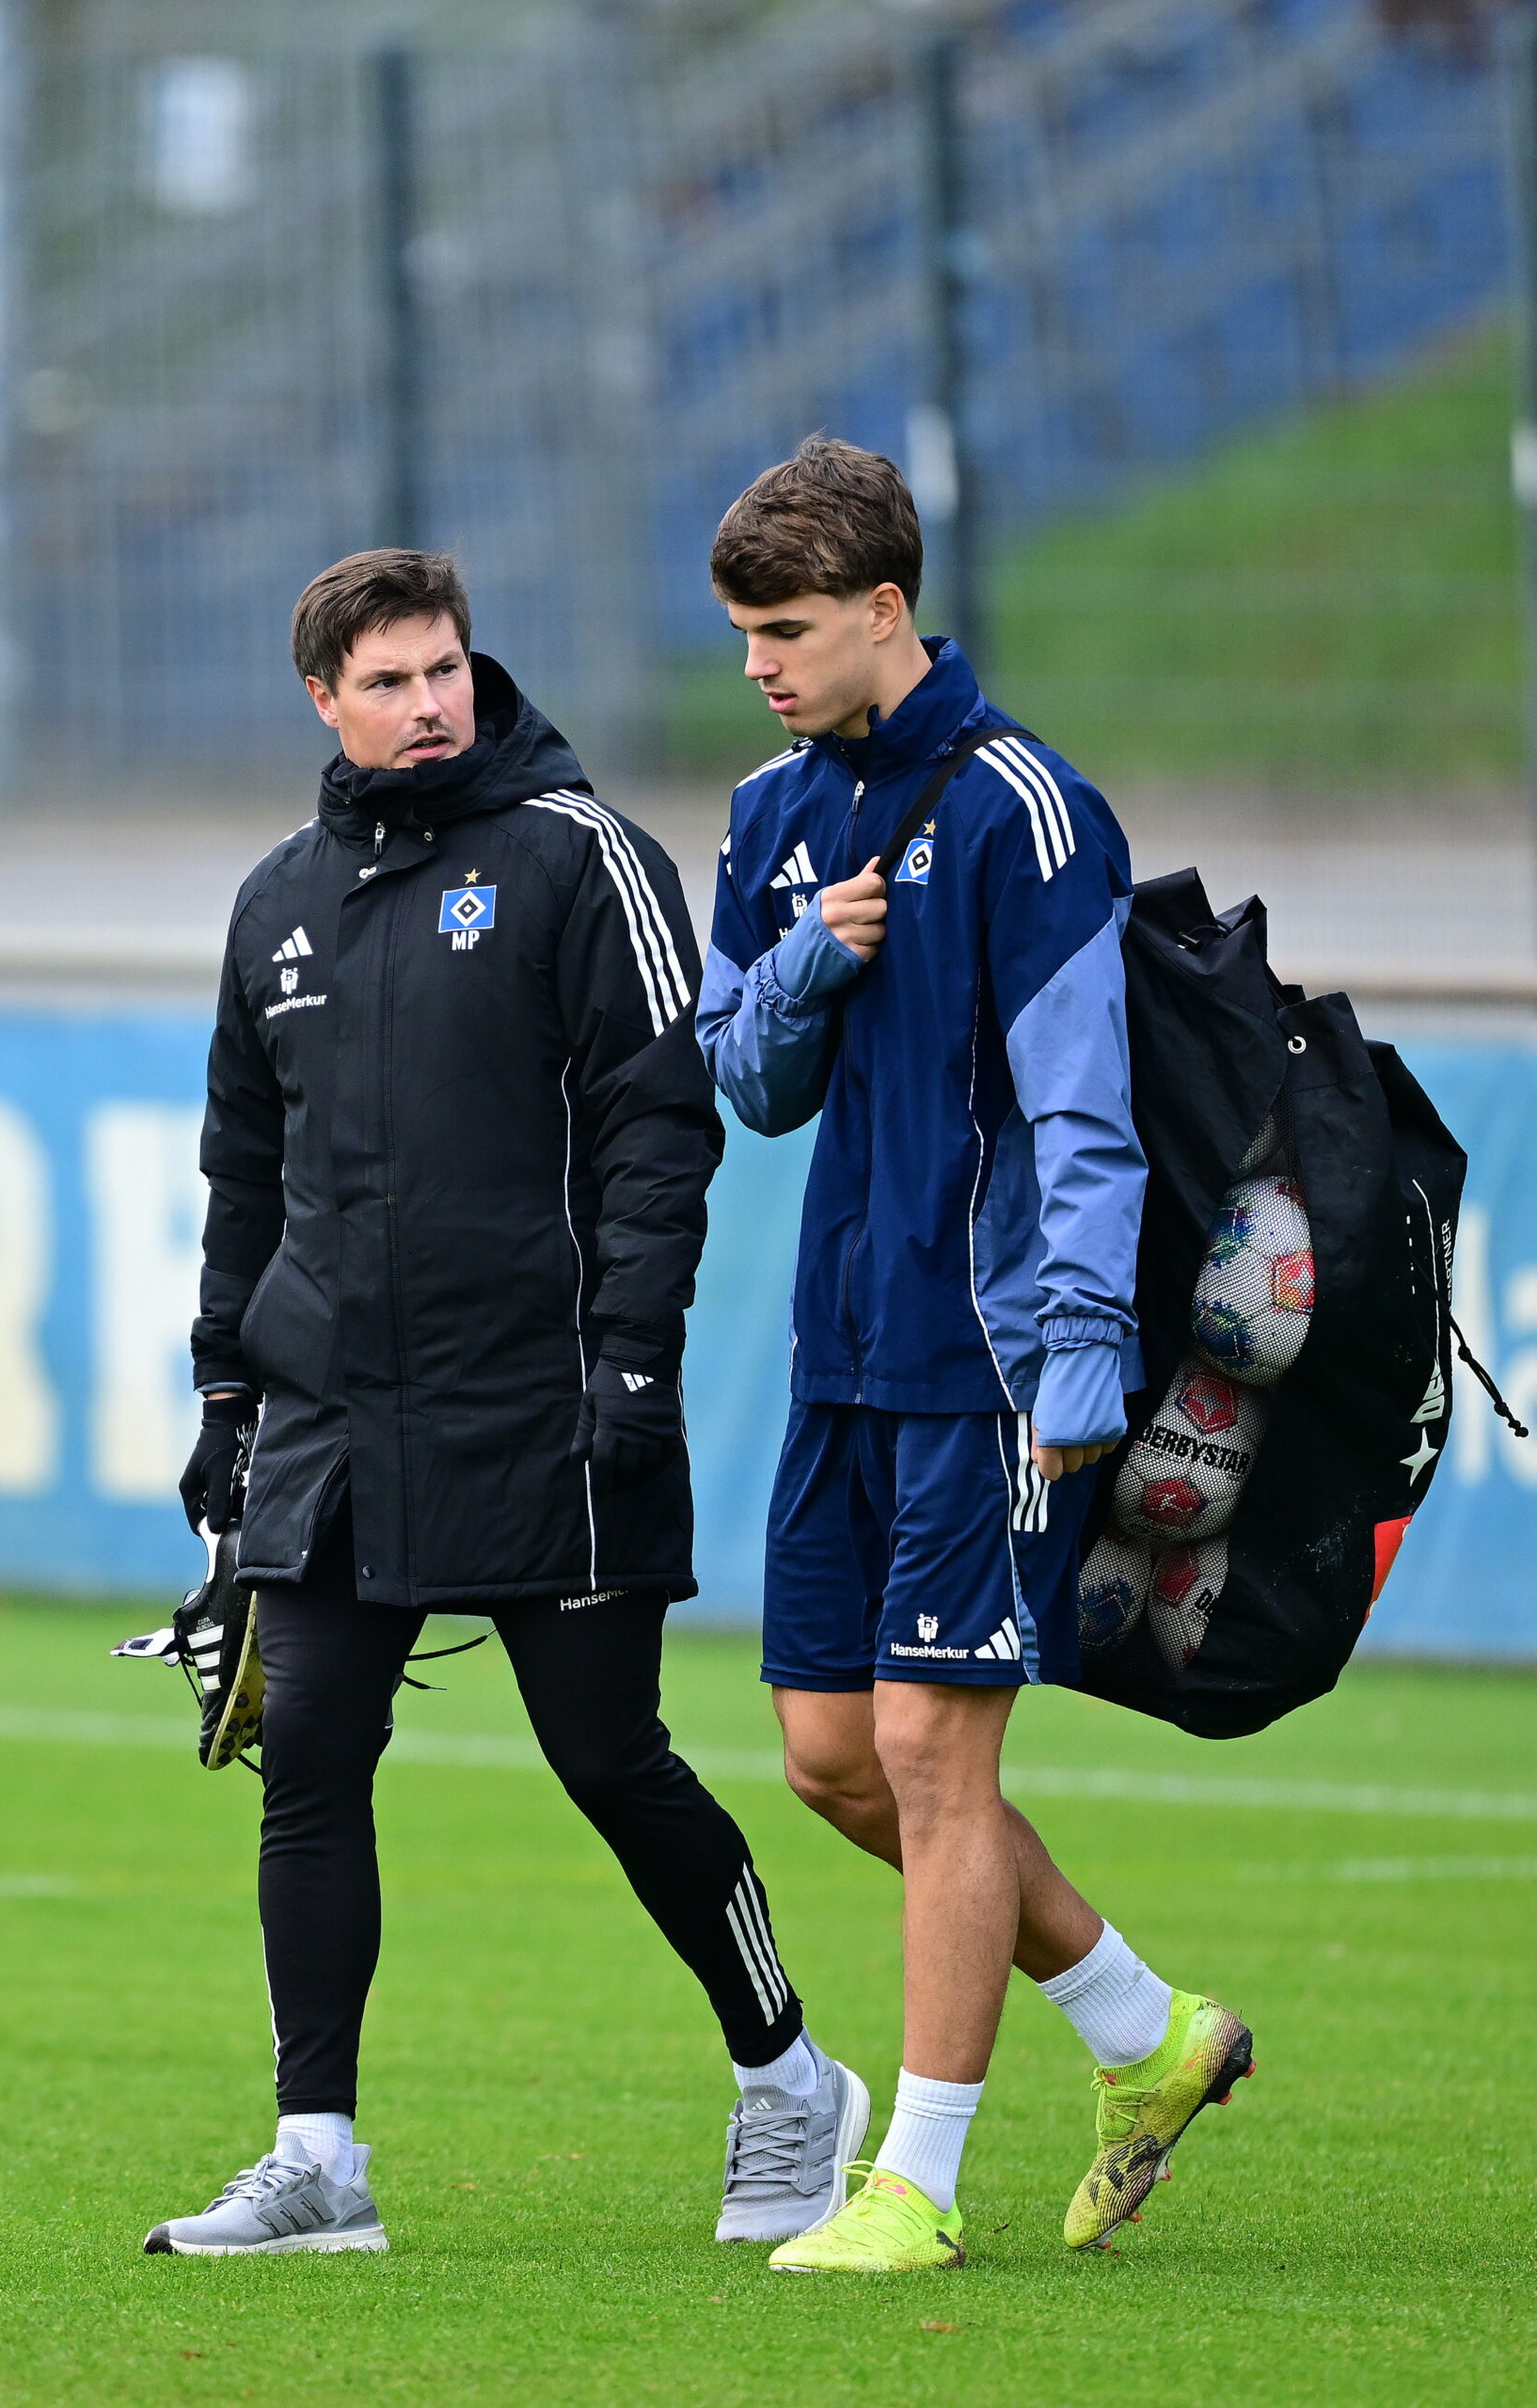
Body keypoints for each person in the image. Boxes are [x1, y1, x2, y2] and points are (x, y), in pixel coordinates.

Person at [145, 547, 867, 2257]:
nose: (427, 704)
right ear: (322, 698)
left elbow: (657, 1126)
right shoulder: (278, 903)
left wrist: (632, 1357)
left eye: (445, 670)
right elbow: (246, 1171)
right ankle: (318, 2160)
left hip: (551, 1407)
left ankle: (788, 2080)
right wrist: (227, 1388)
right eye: (387, 681)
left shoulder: (579, 855)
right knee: (308, 1761)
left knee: (609, 1760)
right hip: (334, 1420)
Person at [697, 440, 1254, 2274]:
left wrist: (1082, 1351)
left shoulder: (1029, 808)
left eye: (785, 630)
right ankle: (1140, 2028)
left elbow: (1084, 1113)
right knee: (829, 1759)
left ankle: (912, 2186)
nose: (759, 664)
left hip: (999, 1366)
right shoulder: (773, 812)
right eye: (740, 634)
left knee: (933, 1750)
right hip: (839, 1357)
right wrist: (804, 969)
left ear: (883, 608)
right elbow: (744, 1079)